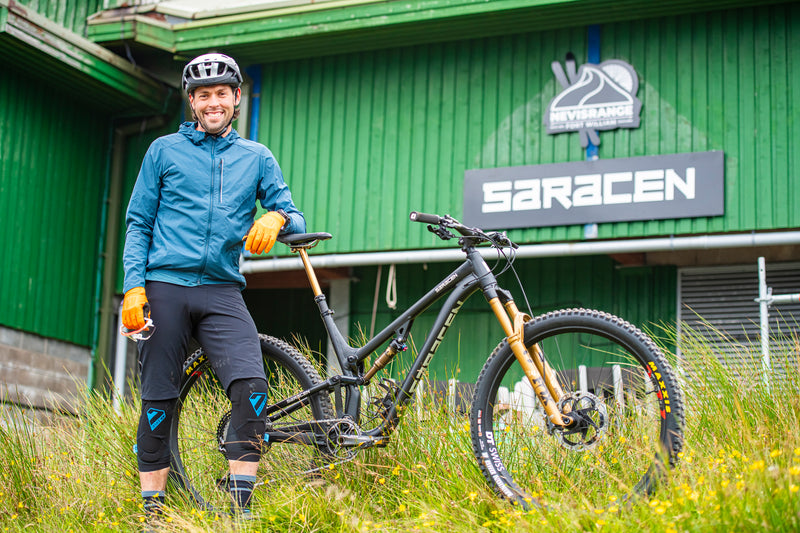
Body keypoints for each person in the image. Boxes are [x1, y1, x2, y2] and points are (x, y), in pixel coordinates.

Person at [120, 52, 305, 518]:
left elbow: (295, 214)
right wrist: (133, 287)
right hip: (165, 285)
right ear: (192, 102)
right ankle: (154, 518)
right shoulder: (163, 151)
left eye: (222, 93)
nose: (213, 102)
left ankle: (240, 515)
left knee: (253, 389)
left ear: (236, 97)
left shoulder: (256, 157)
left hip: (222, 289)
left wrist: (278, 217)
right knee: (158, 400)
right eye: (203, 95)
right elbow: (138, 223)